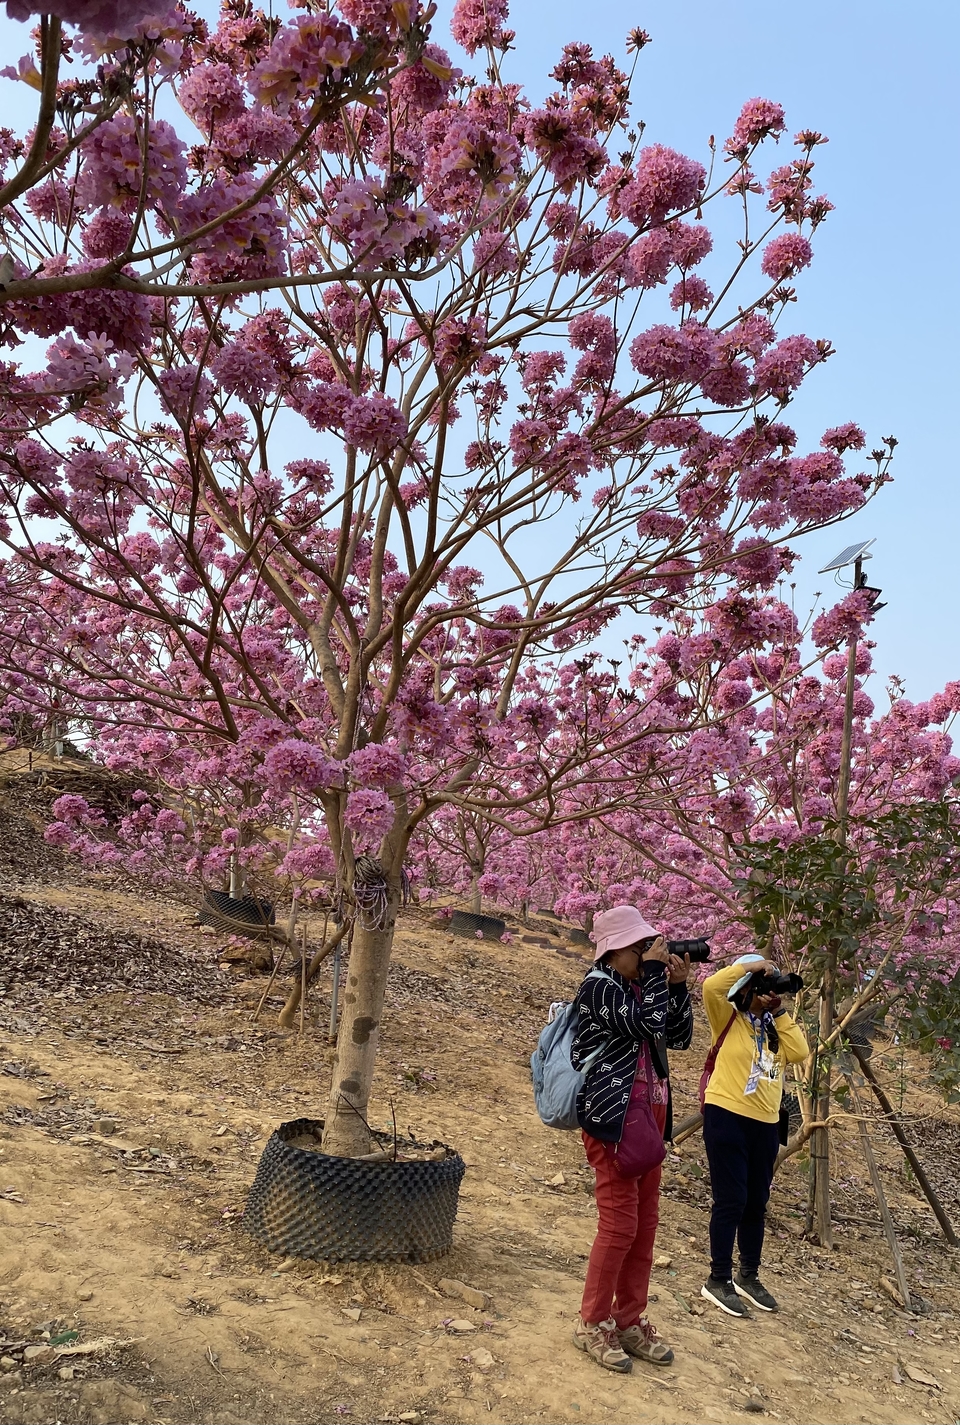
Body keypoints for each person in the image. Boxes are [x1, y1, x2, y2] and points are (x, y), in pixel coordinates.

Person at [570, 905, 693, 1374]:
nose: (646, 954)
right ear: (612, 950)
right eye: (639, 947)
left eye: (648, 946)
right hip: (614, 1121)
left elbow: (676, 1035)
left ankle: (627, 1319)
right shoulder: (598, 986)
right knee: (620, 1225)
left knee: (644, 1227)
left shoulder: (642, 986)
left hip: (649, 1122)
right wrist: (658, 976)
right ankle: (591, 1321)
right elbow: (644, 1024)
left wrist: (676, 986)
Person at [700, 953, 809, 1317]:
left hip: (765, 1123)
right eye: (760, 988)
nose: (765, 993)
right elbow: (711, 986)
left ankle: (749, 1275)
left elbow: (800, 1051)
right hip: (726, 1115)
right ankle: (718, 1278)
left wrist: (778, 1011)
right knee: (730, 1200)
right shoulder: (727, 1017)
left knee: (756, 1203)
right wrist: (752, 968)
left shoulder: (773, 1027)